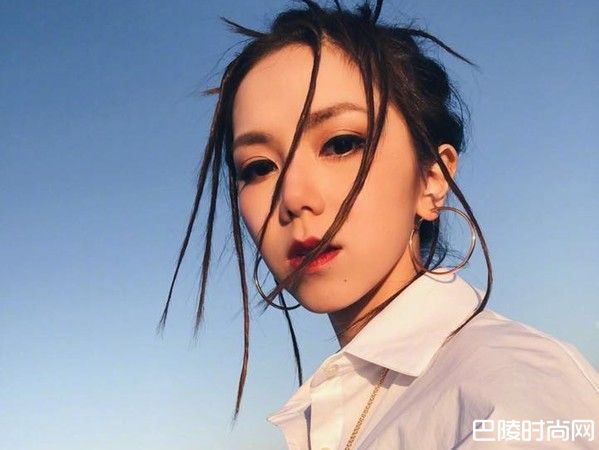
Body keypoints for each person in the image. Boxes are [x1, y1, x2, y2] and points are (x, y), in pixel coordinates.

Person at [159, 1, 598, 448]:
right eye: (258, 167)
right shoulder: (345, 405)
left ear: (433, 179)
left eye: (340, 144)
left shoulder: (513, 393)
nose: (292, 197)